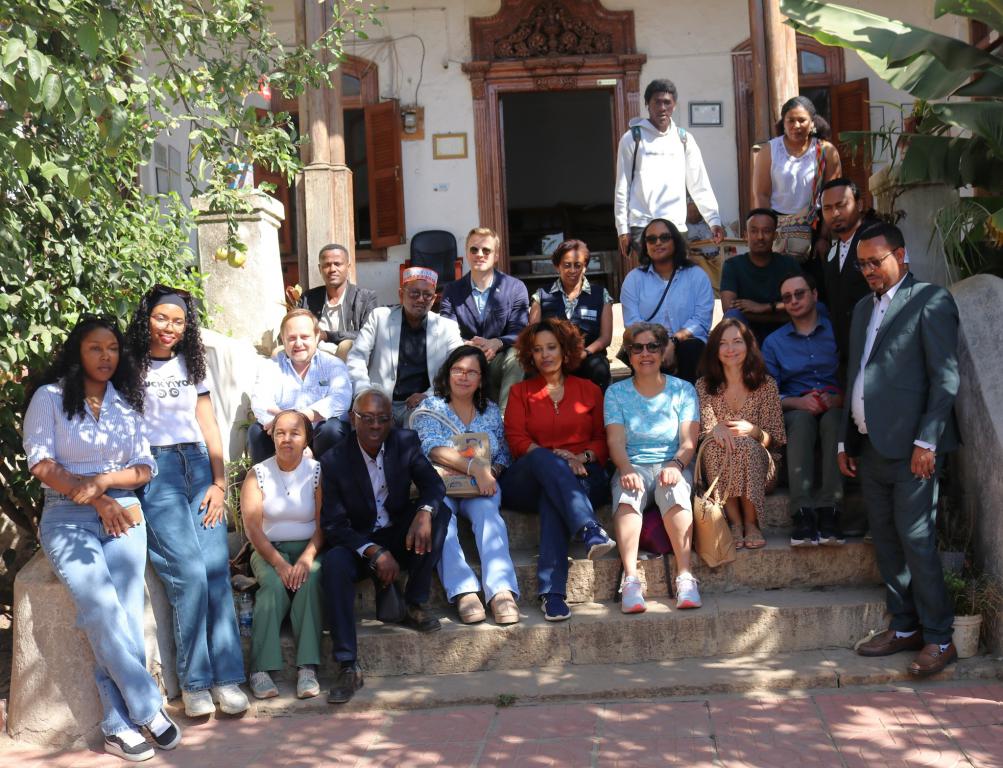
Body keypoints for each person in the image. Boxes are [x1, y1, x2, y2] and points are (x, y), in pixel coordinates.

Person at [23, 316, 182, 762]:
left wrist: (107, 482)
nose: (106, 356)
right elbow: (41, 463)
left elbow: (145, 467)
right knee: (100, 608)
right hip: (67, 515)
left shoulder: (125, 402)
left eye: (112, 348)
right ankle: (147, 707)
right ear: (78, 351)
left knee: (124, 615)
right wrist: (97, 499)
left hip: (124, 512)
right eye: (95, 347)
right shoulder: (50, 398)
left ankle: (116, 725)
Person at [838, 221, 960, 677]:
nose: (869, 270)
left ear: (901, 255)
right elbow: (855, 373)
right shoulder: (861, 309)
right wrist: (845, 439)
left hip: (913, 450)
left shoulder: (930, 300)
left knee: (917, 541)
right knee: (887, 542)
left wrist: (928, 440)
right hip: (870, 447)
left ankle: (940, 637)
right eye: (862, 264)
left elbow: (945, 378)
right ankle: (905, 626)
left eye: (876, 261)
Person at [126, 286, 248, 718]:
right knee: (189, 574)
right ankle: (195, 681)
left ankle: (227, 678)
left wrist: (220, 482)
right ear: (146, 318)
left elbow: (209, 424)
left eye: (178, 321)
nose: (169, 328)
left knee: (215, 572)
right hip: (156, 471)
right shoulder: (128, 365)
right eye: (161, 318)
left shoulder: (191, 363)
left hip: (197, 466)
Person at [319, 388, 448, 704]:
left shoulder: (404, 442)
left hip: (397, 533)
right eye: (368, 418)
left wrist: (424, 512)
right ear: (353, 419)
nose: (376, 425)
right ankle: (348, 664)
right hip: (358, 542)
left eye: (383, 418)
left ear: (392, 420)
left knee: (440, 514)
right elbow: (333, 525)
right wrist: (373, 551)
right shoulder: (334, 460)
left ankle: (414, 603)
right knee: (333, 564)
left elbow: (434, 485)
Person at [501, 319, 614, 622]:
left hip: (583, 474)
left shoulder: (589, 390)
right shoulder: (519, 392)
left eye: (551, 347)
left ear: (565, 350)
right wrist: (557, 458)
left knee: (553, 497)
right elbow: (516, 441)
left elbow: (602, 439)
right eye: (538, 350)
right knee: (545, 463)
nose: (545, 355)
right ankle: (589, 528)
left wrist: (582, 456)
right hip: (529, 477)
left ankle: (552, 594)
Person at [410, 346, 520, 625]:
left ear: (481, 379)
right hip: (441, 485)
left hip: (480, 487)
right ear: (447, 374)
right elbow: (431, 447)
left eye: (472, 372)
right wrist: (476, 468)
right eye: (457, 370)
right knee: (443, 523)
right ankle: (464, 590)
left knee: (489, 516)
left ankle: (501, 590)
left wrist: (492, 471)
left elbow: (504, 453)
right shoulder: (431, 407)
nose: (464, 376)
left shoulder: (491, 411)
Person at [605, 322, 701, 613]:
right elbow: (615, 441)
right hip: (632, 463)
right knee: (627, 496)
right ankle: (631, 580)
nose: (645, 353)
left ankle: (685, 576)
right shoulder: (616, 393)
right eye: (637, 348)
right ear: (628, 353)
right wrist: (626, 469)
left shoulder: (683, 390)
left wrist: (676, 464)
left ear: (663, 351)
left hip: (671, 462)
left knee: (674, 491)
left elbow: (689, 441)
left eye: (652, 347)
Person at [240, 410, 324, 701]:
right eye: (280, 433)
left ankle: (307, 668)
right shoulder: (258, 474)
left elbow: (323, 525)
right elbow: (252, 528)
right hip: (268, 549)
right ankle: (260, 670)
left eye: (294, 433)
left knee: (310, 581)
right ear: (273, 437)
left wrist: (306, 558)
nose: (287, 439)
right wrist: (278, 564)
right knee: (273, 586)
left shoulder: (316, 472)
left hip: (308, 547)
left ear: (306, 439)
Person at [762, 274, 845, 546]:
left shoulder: (838, 332)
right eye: (787, 297)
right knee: (801, 421)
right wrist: (798, 402)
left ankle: (830, 511)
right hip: (795, 408)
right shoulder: (774, 342)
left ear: (815, 295)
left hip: (836, 404)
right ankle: (803, 513)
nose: (794, 301)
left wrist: (839, 399)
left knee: (834, 420)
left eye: (800, 293)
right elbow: (768, 393)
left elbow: (855, 375)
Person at [614, 78, 724, 270]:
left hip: (676, 227)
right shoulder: (632, 138)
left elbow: (699, 184)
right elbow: (622, 187)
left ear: (674, 105)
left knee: (678, 278)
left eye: (667, 102)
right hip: (643, 226)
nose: (662, 107)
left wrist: (713, 220)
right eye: (657, 102)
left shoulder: (684, 139)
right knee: (652, 279)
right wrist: (623, 229)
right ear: (647, 104)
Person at [696, 318, 785, 552]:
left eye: (737, 341)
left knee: (744, 445)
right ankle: (735, 523)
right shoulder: (704, 386)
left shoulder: (766, 385)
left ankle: (751, 523)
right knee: (716, 444)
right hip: (720, 464)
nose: (730, 349)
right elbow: (703, 434)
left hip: (761, 468)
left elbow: (776, 440)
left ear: (748, 345)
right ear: (714, 349)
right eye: (723, 343)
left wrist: (754, 431)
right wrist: (714, 429)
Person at [347, 267, 463, 426]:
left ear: (434, 299)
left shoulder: (447, 327)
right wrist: (365, 393)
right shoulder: (380, 318)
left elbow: (458, 368)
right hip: (380, 401)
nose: (421, 299)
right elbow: (356, 357)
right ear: (401, 295)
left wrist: (429, 395)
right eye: (414, 293)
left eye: (427, 295)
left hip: (422, 404)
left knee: (420, 425)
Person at [439, 227, 528, 412]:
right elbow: (446, 329)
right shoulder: (451, 290)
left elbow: (520, 331)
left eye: (486, 250)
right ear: (467, 253)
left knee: (517, 356)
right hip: (464, 358)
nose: (479, 254)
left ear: (496, 256)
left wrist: (497, 343)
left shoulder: (515, 288)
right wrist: (468, 345)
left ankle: (505, 418)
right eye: (474, 249)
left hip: (498, 357)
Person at [752, 95, 841, 278]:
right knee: (778, 282)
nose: (796, 125)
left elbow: (833, 196)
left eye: (802, 120)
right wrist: (766, 231)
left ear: (812, 122)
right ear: (783, 123)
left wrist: (824, 236)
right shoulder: (769, 151)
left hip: (814, 226)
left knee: (814, 282)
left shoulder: (826, 151)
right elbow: (761, 194)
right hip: (777, 227)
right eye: (790, 120)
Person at [249, 309, 352, 463]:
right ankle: (268, 478)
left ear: (317, 336)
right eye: (291, 338)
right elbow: (260, 404)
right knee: (256, 431)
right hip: (282, 435)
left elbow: (340, 399)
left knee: (332, 429)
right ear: (283, 340)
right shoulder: (270, 367)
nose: (298, 343)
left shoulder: (333, 365)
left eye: (304, 337)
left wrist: (300, 418)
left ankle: (328, 478)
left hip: (321, 435)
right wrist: (288, 431)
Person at [620, 218, 714, 383]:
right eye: (651, 239)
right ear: (645, 245)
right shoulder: (633, 279)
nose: (658, 243)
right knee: (644, 351)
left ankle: (689, 398)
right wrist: (657, 346)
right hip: (647, 344)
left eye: (664, 237)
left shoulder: (696, 275)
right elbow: (632, 322)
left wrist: (674, 341)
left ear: (675, 241)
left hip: (686, 344)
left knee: (690, 349)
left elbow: (701, 320)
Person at [528, 238, 614, 390]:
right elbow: (533, 334)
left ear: (585, 267)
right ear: (557, 267)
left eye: (578, 265)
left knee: (599, 368)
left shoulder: (601, 295)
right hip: (550, 357)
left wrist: (584, 353)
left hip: (587, 356)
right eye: (567, 265)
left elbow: (605, 338)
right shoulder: (541, 296)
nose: (572, 270)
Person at [720, 208, 801, 346]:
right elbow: (729, 309)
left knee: (818, 309)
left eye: (766, 231)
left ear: (775, 235)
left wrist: (764, 307)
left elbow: (801, 302)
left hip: (784, 331)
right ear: (745, 235)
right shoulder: (732, 265)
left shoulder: (788, 264)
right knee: (732, 316)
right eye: (754, 231)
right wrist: (779, 314)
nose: (760, 237)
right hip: (745, 334)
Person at [819, 178, 874, 379]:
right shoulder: (832, 251)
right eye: (827, 208)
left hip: (877, 352)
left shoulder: (877, 239)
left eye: (841, 205)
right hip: (847, 356)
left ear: (859, 204)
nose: (835, 213)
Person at [296, 243, 378, 361]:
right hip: (313, 358)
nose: (332, 269)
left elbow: (369, 334)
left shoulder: (365, 298)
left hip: (348, 359)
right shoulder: (308, 298)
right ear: (320, 269)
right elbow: (295, 329)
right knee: (277, 352)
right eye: (327, 265)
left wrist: (327, 335)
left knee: (346, 345)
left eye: (337, 264)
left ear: (348, 267)